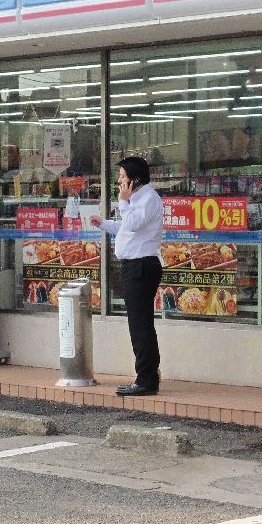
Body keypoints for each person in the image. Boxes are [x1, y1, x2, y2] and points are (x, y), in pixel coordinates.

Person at [102, 156, 164, 396]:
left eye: (122, 177)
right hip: (134, 266)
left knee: (140, 326)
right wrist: (104, 224)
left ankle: (146, 379)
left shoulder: (147, 198)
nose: (119, 181)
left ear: (135, 179)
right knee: (140, 324)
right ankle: (148, 375)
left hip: (141, 267)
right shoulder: (137, 200)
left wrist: (123, 203)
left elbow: (134, 224)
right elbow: (126, 227)